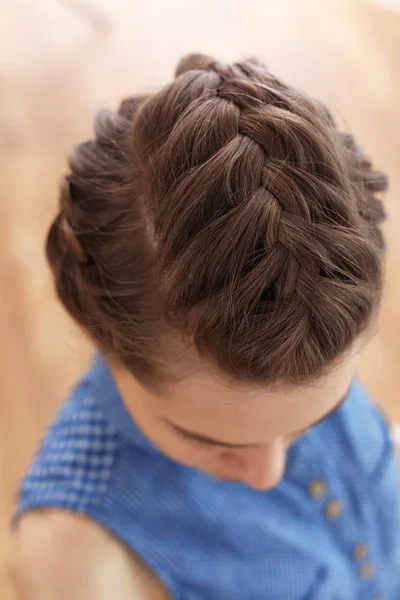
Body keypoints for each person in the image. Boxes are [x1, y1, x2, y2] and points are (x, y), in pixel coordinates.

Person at [10, 53, 400, 599]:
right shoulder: (82, 562)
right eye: (207, 441)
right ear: (103, 336)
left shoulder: (306, 320)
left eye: (315, 420)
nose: (268, 471)